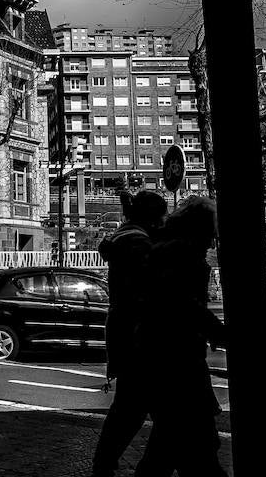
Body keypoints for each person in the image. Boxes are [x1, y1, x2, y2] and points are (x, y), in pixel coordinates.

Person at [134, 196, 228, 477]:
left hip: (160, 356)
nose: (212, 243)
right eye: (211, 235)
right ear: (198, 230)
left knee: (169, 444)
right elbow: (184, 303)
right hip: (178, 360)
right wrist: (216, 331)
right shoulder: (183, 256)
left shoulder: (162, 250)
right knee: (193, 444)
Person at [91, 190, 168, 477]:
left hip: (127, 332)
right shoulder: (138, 243)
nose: (162, 222)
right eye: (160, 217)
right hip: (138, 335)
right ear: (151, 216)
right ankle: (115, 465)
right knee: (136, 408)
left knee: (132, 407)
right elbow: (150, 288)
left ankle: (110, 462)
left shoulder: (126, 236)